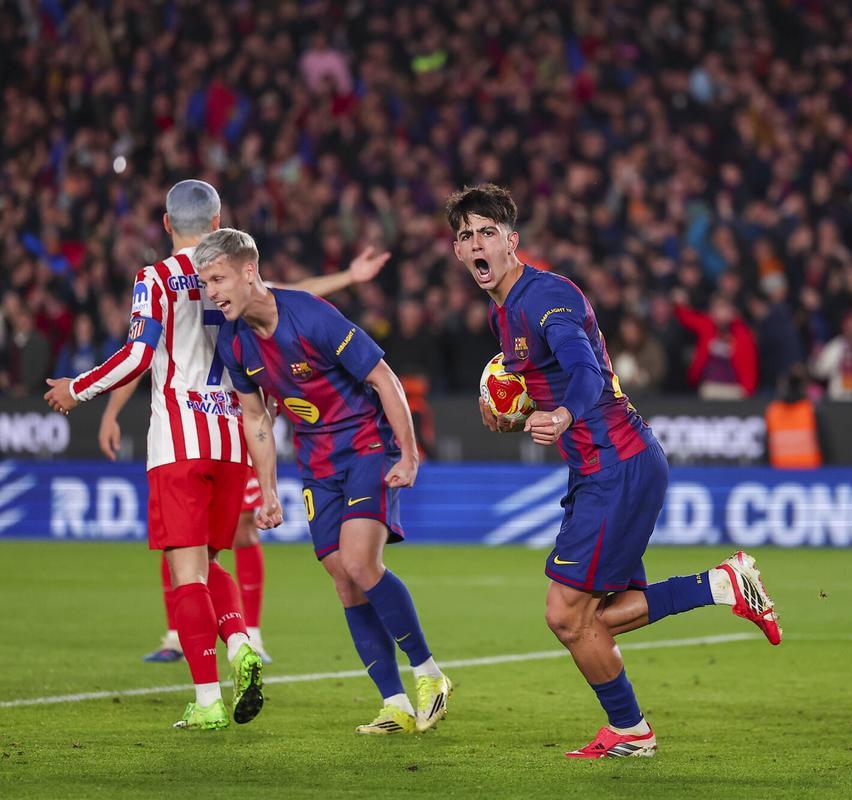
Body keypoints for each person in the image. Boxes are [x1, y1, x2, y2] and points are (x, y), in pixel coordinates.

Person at [446, 183, 781, 759]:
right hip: (602, 467)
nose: (475, 243)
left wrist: (562, 411)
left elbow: (584, 370)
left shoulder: (543, 297)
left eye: (486, 232)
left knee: (567, 616)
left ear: (511, 241)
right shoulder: (507, 308)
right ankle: (719, 590)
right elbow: (553, 374)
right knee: (591, 619)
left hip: (615, 464)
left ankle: (635, 726)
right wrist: (520, 405)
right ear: (457, 251)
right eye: (464, 235)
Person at [195, 227, 450, 736]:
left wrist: (410, 452)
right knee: (340, 573)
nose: (212, 292)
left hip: (365, 447)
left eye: (219, 278)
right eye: (205, 283)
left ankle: (430, 675)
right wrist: (267, 490)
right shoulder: (234, 341)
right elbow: (257, 418)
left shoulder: (309, 314)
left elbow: (384, 378)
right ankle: (395, 703)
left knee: (360, 561)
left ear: (250, 272)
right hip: (317, 463)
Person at [43, 179, 271, 731]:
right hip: (233, 439)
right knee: (213, 562)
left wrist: (80, 387)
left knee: (186, 570)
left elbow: (139, 354)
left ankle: (208, 698)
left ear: (167, 224)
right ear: (218, 222)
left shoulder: (157, 277)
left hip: (178, 441)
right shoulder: (239, 275)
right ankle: (240, 640)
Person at [106, 248, 393, 665]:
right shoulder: (207, 280)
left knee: (218, 536)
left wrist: (349, 274)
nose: (213, 287)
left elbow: (140, 355)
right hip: (228, 428)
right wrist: (348, 275)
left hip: (228, 425)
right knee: (190, 541)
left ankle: (247, 634)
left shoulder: (185, 281)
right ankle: (184, 633)